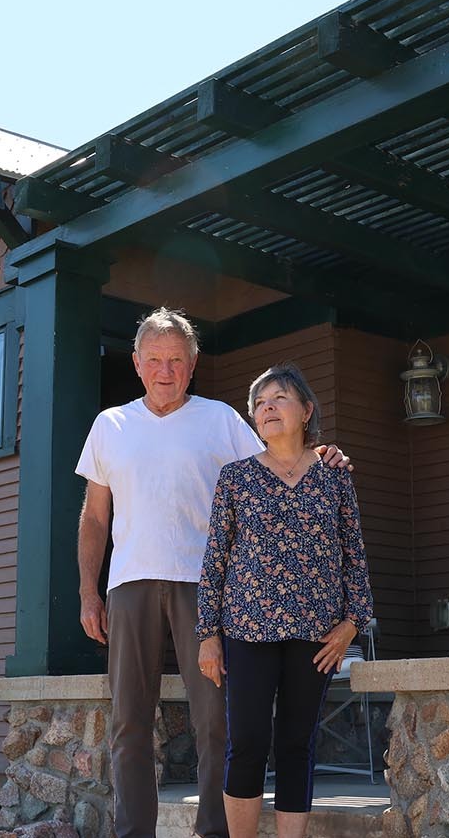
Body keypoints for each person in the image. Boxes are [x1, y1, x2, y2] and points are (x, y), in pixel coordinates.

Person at [75, 309, 348, 838]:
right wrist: (89, 589)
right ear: (136, 363)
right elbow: (94, 515)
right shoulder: (110, 425)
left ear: (193, 364)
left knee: (215, 722)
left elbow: (277, 458)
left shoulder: (220, 418)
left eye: (176, 360)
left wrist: (322, 454)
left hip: (207, 588)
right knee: (129, 721)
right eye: (154, 359)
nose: (165, 370)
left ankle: (213, 831)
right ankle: (135, 831)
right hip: (130, 583)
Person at [197, 362, 373, 838]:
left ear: (306, 410)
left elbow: (354, 553)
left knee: (297, 743)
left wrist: (352, 623)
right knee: (248, 743)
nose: (267, 407)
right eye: (259, 402)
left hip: (315, 636)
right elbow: (214, 560)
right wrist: (208, 636)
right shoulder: (235, 478)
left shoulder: (335, 476)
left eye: (279, 398)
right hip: (247, 630)